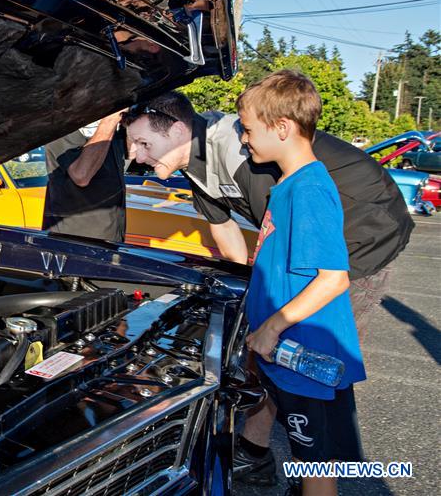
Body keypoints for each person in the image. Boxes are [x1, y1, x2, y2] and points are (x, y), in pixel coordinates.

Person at [123, 85, 413, 485]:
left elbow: (282, 245)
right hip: (318, 245)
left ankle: (307, 469)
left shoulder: (246, 153)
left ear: (175, 130)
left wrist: (271, 322)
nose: (135, 156)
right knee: (268, 351)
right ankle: (258, 452)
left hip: (362, 234)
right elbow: (228, 236)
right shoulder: (196, 164)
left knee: (298, 359)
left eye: (141, 143)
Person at [240, 70, 367, 496]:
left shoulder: (308, 189)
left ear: (282, 127)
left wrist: (272, 328)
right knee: (311, 458)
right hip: (286, 353)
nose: (244, 138)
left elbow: (333, 279)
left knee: (316, 465)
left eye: (248, 129)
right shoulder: (288, 185)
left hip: (304, 355)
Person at [42, 109, 127, 242]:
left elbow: (133, 155)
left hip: (111, 236)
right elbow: (81, 176)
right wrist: (110, 120)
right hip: (74, 241)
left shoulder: (108, 127)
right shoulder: (60, 124)